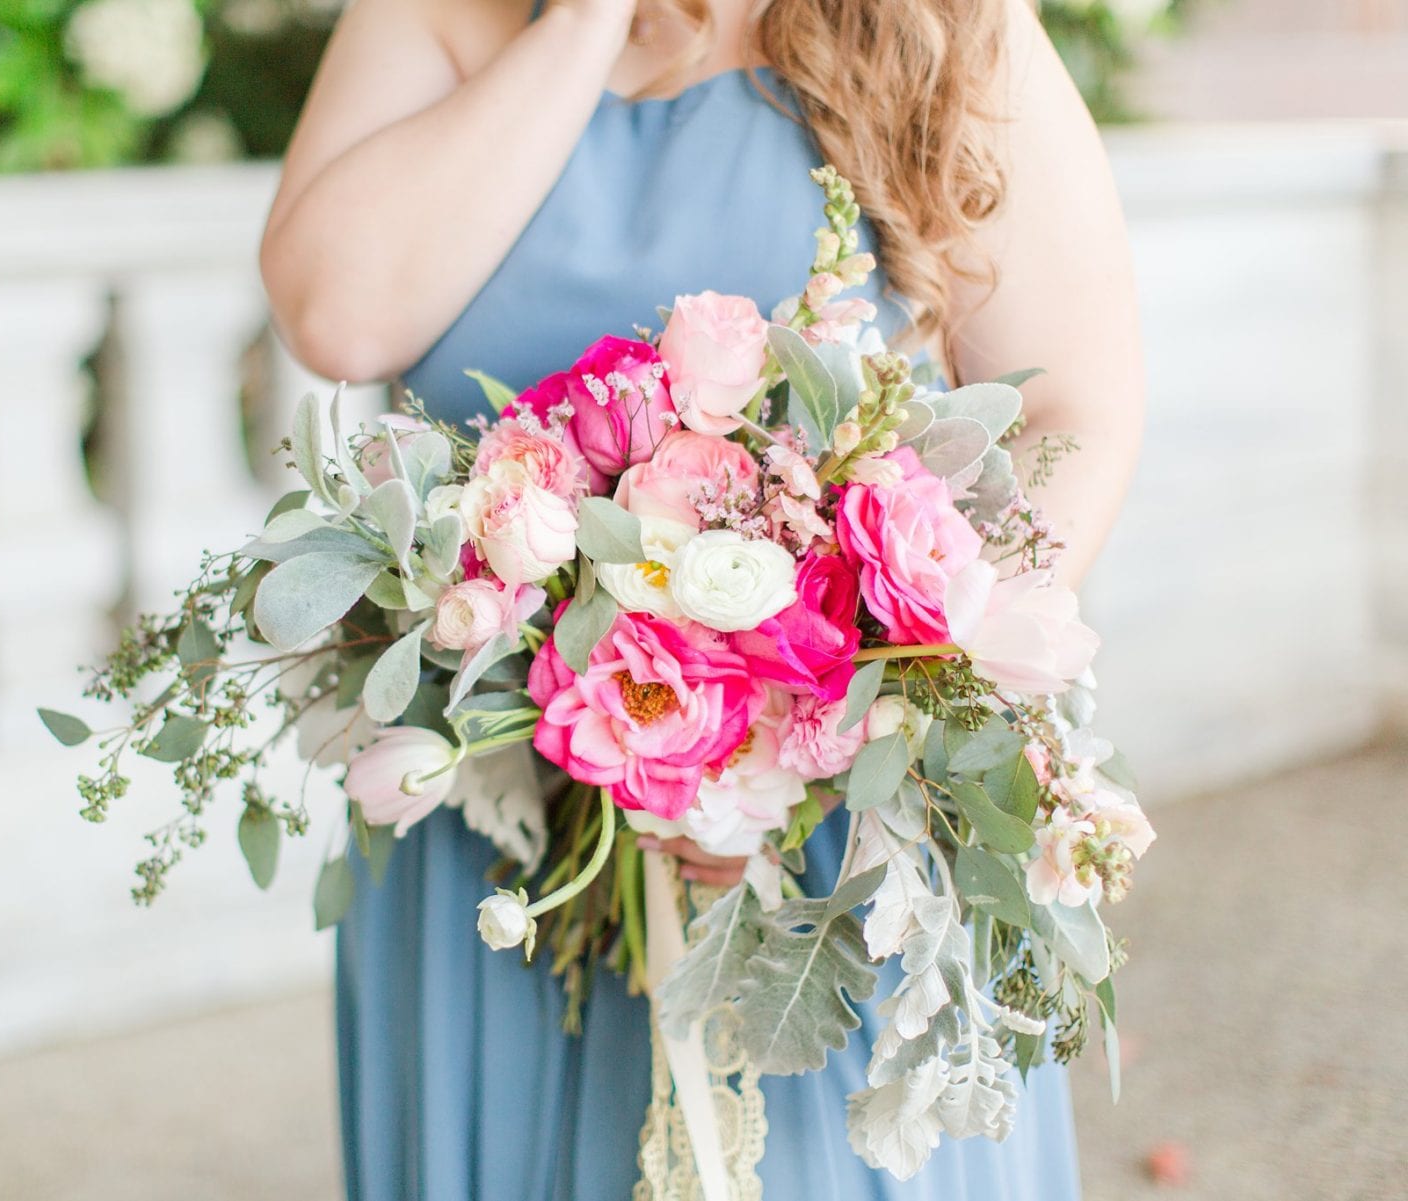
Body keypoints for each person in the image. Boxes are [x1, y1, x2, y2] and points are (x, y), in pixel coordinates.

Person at [260, 0, 1143, 1195]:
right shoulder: (438, 15)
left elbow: (1072, 410)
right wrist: (586, 19)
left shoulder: (942, 23)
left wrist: (890, 696)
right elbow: (339, 314)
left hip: (825, 829)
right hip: (495, 817)